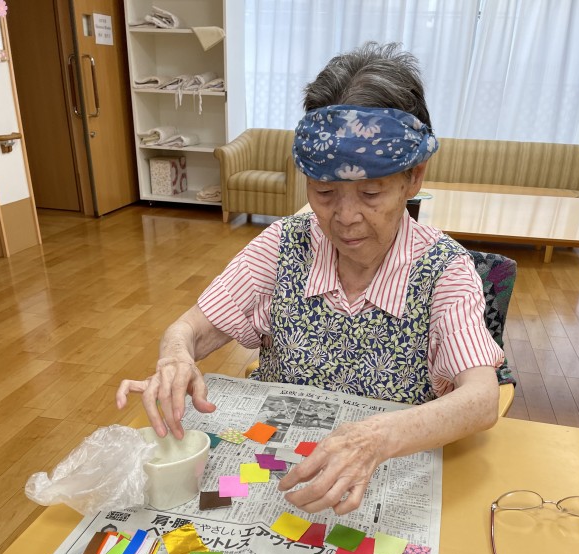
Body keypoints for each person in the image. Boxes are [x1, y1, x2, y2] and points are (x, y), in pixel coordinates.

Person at [116, 42, 503, 516]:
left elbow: (481, 399)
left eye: (371, 193)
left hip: (380, 483)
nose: (345, 217)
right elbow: (191, 328)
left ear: (414, 177)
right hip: (280, 475)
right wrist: (176, 356)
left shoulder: (445, 270)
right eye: (324, 192)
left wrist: (376, 437)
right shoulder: (283, 245)